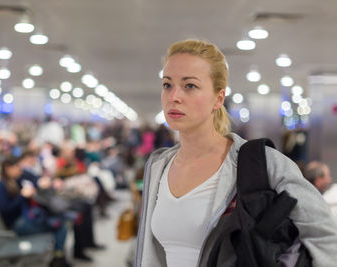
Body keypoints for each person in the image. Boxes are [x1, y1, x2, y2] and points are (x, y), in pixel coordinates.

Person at [134, 39, 337, 267]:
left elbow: (324, 236)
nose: (174, 97)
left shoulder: (258, 162)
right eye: (167, 85)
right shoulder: (158, 165)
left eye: (189, 85)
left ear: (218, 98)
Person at [0, 156, 70, 267]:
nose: (20, 170)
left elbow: (33, 179)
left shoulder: (16, 181)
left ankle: (58, 258)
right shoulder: (1, 187)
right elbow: (5, 210)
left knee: (60, 222)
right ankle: (58, 258)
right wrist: (22, 196)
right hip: (17, 224)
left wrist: (38, 184)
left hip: (27, 218)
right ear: (8, 168)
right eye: (17, 168)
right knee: (59, 225)